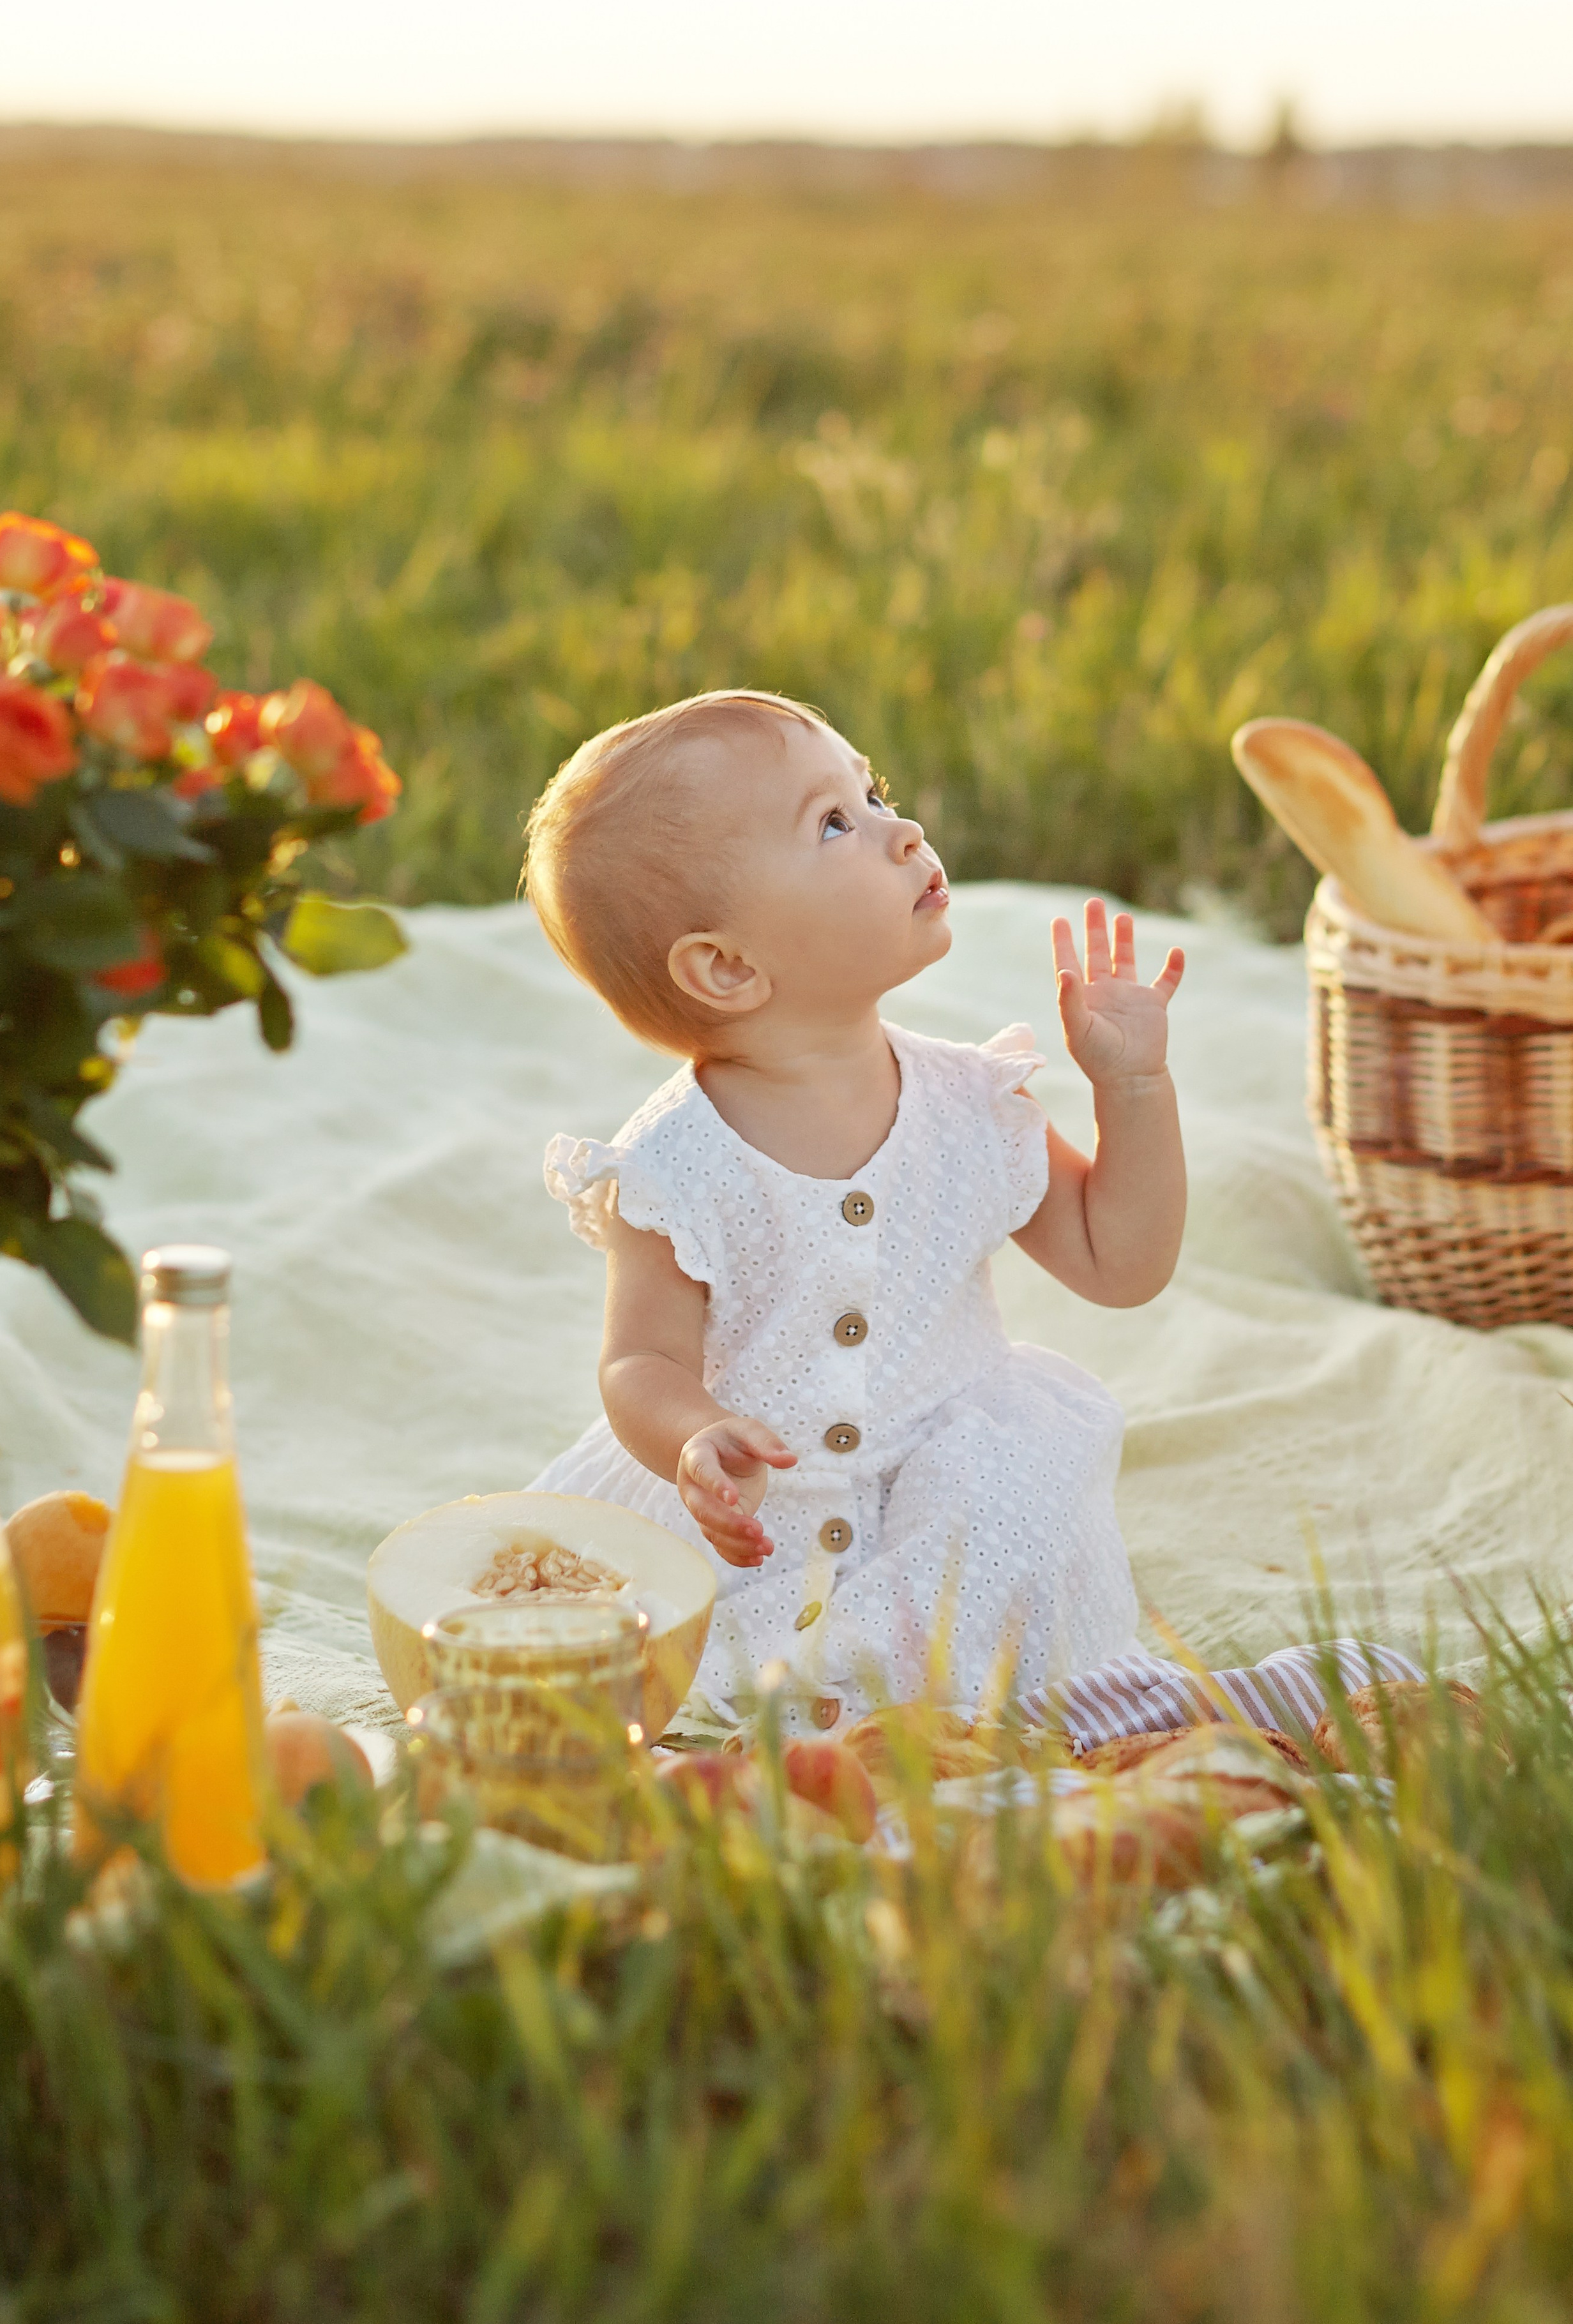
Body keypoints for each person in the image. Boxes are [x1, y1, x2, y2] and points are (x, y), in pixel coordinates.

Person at [522, 690, 1415, 1740]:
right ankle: (863, 1738)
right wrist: (694, 1436)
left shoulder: (970, 1105)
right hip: (764, 1515)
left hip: (951, 1474)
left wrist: (1132, 1088)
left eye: (874, 791)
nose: (903, 830)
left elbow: (1118, 1260)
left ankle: (1028, 1718)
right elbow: (639, 1363)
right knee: (656, 1660)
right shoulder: (675, 1166)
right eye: (834, 824)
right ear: (727, 966)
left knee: (998, 1569)